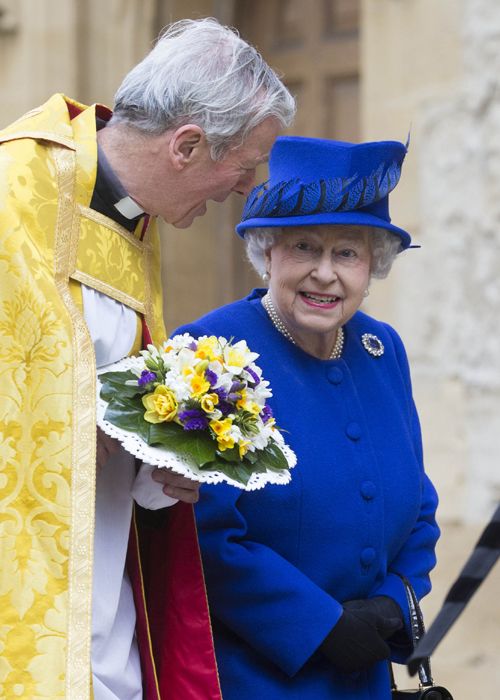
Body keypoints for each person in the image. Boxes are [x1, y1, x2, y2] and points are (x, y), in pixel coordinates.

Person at [0, 18, 295, 700]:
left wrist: (161, 458)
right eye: (244, 165)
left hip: (100, 598)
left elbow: (106, 405)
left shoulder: (134, 221)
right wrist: (76, 422)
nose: (244, 188)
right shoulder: (14, 187)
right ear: (187, 145)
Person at [174, 135, 440, 699]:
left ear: (373, 267)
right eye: (303, 248)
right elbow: (202, 533)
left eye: (347, 253)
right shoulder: (209, 351)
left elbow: (418, 503)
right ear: (268, 252)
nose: (325, 274)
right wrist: (317, 625)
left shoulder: (381, 348)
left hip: (365, 674)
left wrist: (395, 601)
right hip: (252, 677)